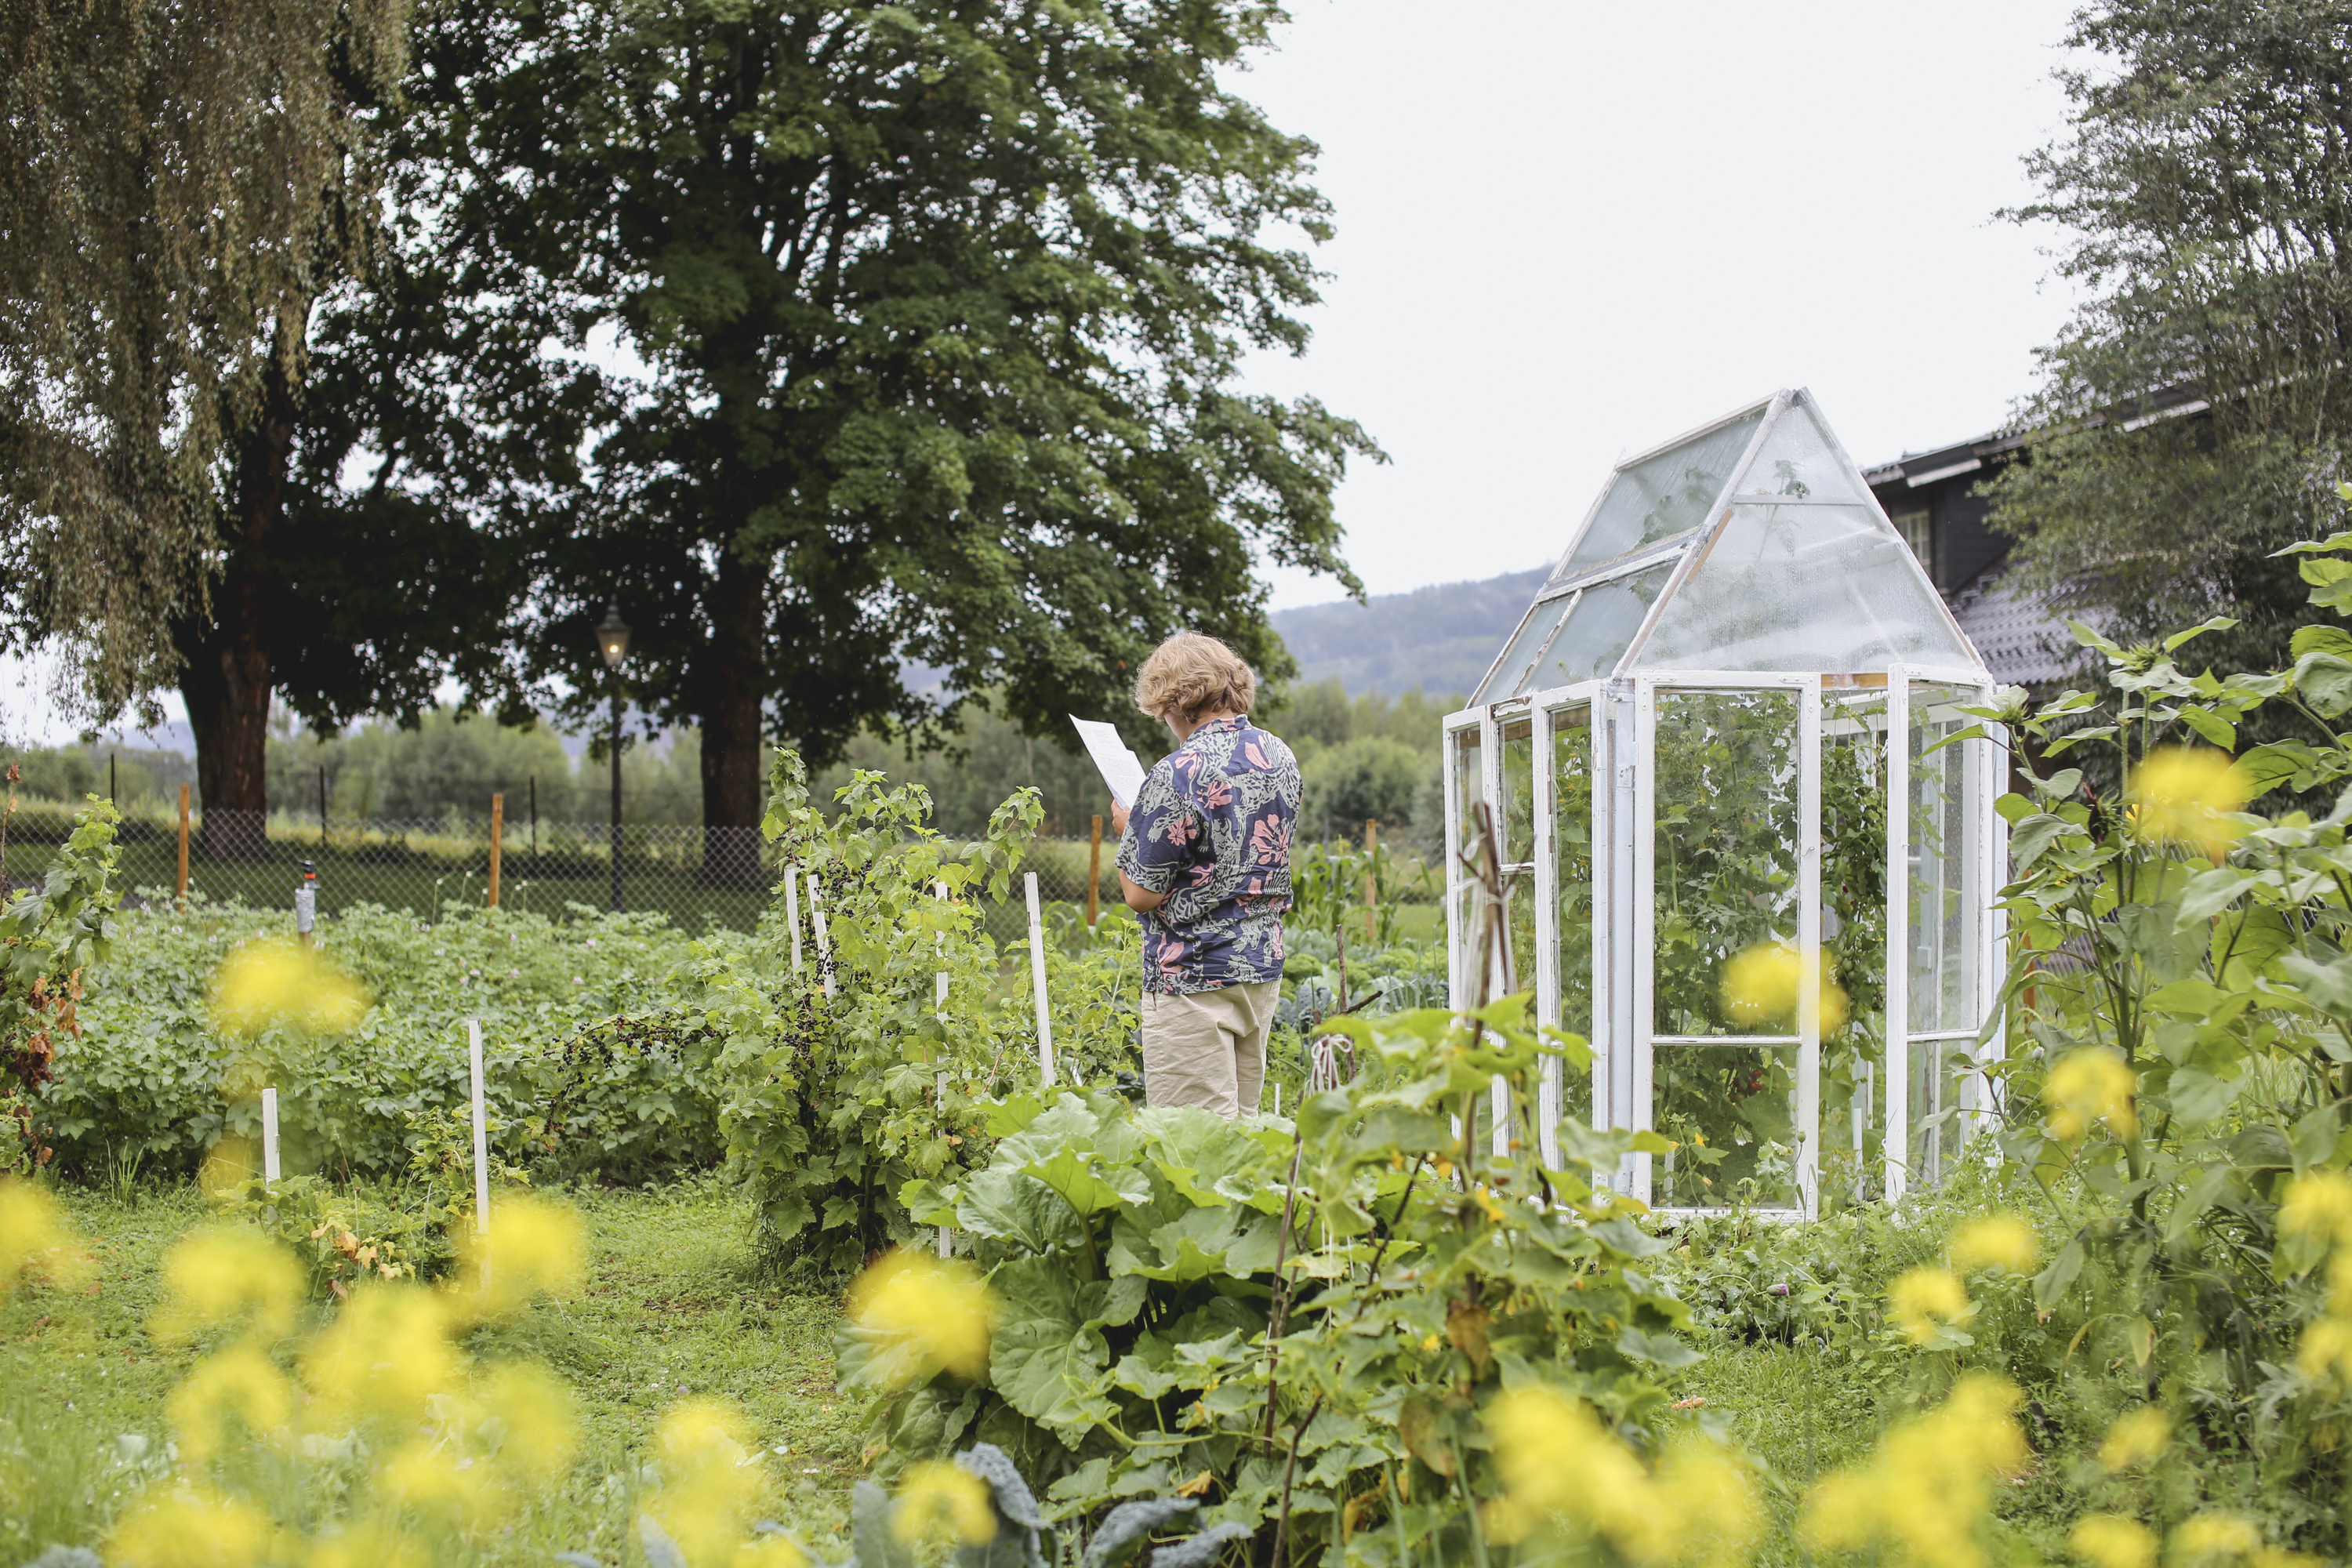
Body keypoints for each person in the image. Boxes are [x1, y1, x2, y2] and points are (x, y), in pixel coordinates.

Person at [1110, 632, 1301, 1118]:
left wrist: (1131, 826)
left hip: (1193, 977)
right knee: (1244, 1133)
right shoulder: (1279, 756)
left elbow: (1139, 894)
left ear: (1173, 699)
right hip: (1259, 966)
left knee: (1195, 1146)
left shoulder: (1178, 771)